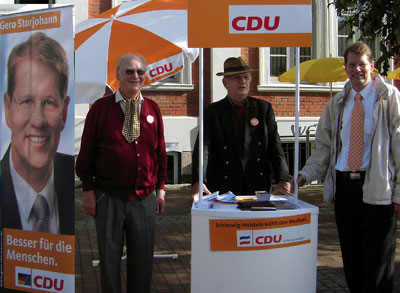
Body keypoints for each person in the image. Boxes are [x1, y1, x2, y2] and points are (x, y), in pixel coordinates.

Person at [291, 42, 400, 292]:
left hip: (377, 188)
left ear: (372, 66)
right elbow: (324, 147)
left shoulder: (389, 97)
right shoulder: (339, 101)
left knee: (378, 265)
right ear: (345, 67)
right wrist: (306, 175)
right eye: (352, 64)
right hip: (344, 188)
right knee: (352, 261)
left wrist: (399, 193)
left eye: (362, 64)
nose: (357, 70)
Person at [76, 54, 167, 292]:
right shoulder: (100, 108)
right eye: (129, 71)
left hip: (144, 197)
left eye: (140, 72)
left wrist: (161, 191)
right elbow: (87, 151)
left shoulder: (152, 109)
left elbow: (160, 153)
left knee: (143, 260)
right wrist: (87, 189)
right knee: (109, 260)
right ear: (117, 75)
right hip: (109, 196)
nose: (135, 76)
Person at [1, 32, 74, 235]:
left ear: (64, 112)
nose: (37, 120)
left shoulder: (70, 175)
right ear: (8, 109)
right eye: (26, 101)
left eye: (49, 102)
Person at [191, 56, 291, 203]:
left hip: (257, 183)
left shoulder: (263, 108)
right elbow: (203, 149)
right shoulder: (213, 112)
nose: (242, 81)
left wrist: (283, 178)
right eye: (237, 78)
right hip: (224, 185)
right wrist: (198, 181)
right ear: (225, 83)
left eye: (246, 77)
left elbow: (274, 146)